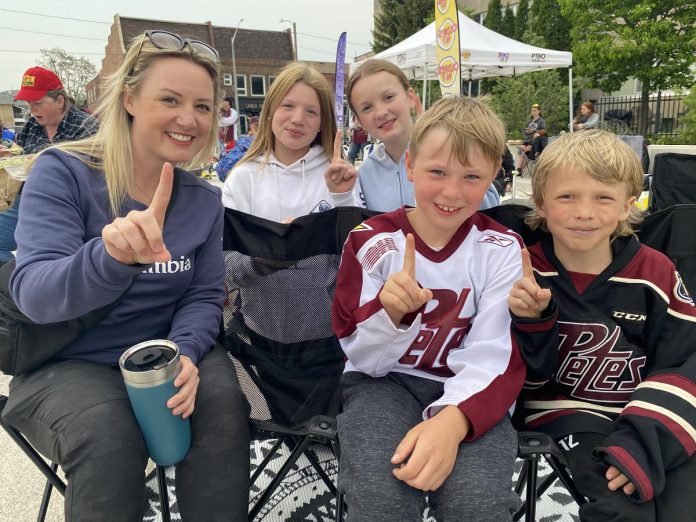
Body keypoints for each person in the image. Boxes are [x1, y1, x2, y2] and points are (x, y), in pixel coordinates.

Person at [1, 30, 250, 521]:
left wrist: (186, 354)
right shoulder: (64, 171)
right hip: (69, 360)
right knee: (109, 434)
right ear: (130, 98)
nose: (189, 119)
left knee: (221, 409)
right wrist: (109, 258)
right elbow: (33, 295)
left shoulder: (203, 200)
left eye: (203, 106)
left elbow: (203, 298)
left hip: (167, 350)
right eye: (171, 100)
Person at [332, 96, 525, 521]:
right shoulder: (370, 242)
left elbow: (498, 355)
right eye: (437, 172)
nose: (452, 191)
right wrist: (392, 316)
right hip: (383, 384)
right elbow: (361, 358)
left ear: (494, 175)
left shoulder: (502, 248)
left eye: (471, 176)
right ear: (411, 167)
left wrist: (452, 422)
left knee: (479, 503)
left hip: (473, 392)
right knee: (381, 500)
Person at [508, 129, 696, 522]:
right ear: (540, 203)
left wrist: (644, 441)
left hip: (647, 416)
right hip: (562, 413)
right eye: (567, 196)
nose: (585, 212)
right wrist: (534, 321)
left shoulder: (654, 272)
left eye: (603, 197)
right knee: (621, 511)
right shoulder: (522, 270)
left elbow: (684, 358)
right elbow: (520, 381)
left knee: (685, 505)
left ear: (628, 206)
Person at [347, 59, 500, 212]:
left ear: (410, 96)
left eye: (388, 97)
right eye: (367, 108)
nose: (380, 112)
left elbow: (489, 207)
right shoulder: (364, 176)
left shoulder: (450, 146)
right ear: (359, 120)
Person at [221, 61, 362, 222]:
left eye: (311, 111)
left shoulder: (340, 176)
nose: (298, 119)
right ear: (269, 111)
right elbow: (227, 245)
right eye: (288, 106)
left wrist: (342, 198)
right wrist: (277, 242)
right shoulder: (242, 179)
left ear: (322, 123)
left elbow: (358, 242)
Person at [0, 67, 99, 265]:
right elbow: (22, 154)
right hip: (27, 197)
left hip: (68, 205)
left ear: (60, 101)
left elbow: (96, 178)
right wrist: (9, 155)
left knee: (51, 254)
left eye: (38, 103)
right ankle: (13, 288)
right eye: (29, 104)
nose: (32, 110)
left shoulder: (87, 128)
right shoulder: (32, 125)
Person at [216, 115, 259, 182]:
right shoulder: (244, 140)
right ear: (250, 126)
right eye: (256, 125)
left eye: (260, 125)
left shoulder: (245, 140)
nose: (259, 127)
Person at [516, 103, 546, 174]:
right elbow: (524, 131)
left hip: (534, 141)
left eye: (535, 110)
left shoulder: (541, 121)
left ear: (539, 111)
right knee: (522, 150)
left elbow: (543, 131)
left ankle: (519, 170)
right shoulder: (529, 121)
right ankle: (519, 169)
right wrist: (526, 131)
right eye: (532, 111)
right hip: (527, 140)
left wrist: (534, 131)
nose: (533, 112)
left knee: (525, 152)